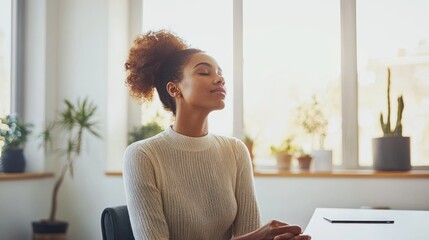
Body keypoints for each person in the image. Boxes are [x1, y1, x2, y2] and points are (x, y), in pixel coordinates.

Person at [123, 29, 311, 240]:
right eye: (204, 72)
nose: (219, 79)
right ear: (174, 89)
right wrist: (257, 237)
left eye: (220, 73)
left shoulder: (235, 150)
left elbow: (247, 234)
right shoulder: (142, 155)